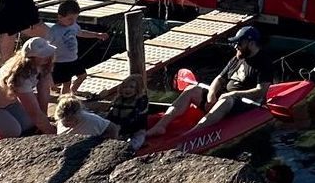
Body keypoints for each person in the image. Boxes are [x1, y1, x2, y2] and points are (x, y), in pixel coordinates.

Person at [146, 27, 277, 138]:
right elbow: (219, 78)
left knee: (226, 100)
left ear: (251, 43)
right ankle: (160, 126)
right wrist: (211, 94)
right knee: (191, 89)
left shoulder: (264, 63)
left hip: (244, 104)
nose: (236, 46)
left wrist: (234, 94)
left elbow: (261, 91)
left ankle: (191, 135)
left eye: (239, 43)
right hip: (225, 97)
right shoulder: (237, 58)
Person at [51, 0, 108, 97]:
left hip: (74, 58)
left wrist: (97, 35)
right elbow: (48, 45)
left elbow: (81, 33)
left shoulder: (73, 26)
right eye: (70, 19)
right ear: (60, 17)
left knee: (83, 76)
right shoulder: (54, 30)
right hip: (61, 61)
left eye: (75, 19)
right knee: (66, 82)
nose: (73, 21)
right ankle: (64, 99)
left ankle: (72, 91)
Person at [103, 72, 150, 150]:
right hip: (118, 130)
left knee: (131, 147)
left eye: (131, 87)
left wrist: (119, 126)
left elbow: (134, 117)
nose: (127, 89)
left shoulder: (141, 100)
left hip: (135, 130)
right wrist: (106, 125)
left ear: (137, 89)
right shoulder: (118, 99)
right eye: (125, 87)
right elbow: (110, 114)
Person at [21, 36, 59, 114]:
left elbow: (49, 84)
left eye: (48, 53)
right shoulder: (21, 75)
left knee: (44, 83)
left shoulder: (43, 65)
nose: (47, 57)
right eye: (42, 55)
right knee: (27, 123)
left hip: (17, 97)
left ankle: (44, 113)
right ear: (31, 58)